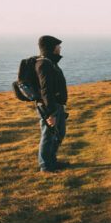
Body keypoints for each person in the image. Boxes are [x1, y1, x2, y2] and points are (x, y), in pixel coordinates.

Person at [35, 35, 68, 173]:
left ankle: (52, 161)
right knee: (48, 135)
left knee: (59, 133)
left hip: (56, 105)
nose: (60, 48)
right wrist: (50, 113)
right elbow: (46, 90)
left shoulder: (50, 62)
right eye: (57, 46)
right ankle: (46, 166)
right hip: (50, 106)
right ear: (51, 48)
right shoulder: (44, 64)